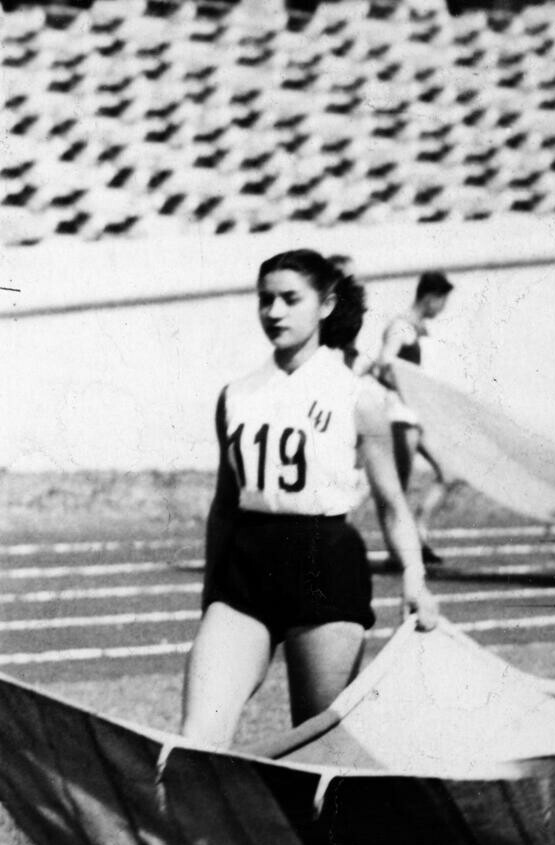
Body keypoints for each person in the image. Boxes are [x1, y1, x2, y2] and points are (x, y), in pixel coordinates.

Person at [180, 249, 441, 746]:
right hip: (246, 570)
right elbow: (224, 504)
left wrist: (413, 577)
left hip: (325, 564)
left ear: (325, 305)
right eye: (265, 300)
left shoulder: (358, 397)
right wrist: (211, 593)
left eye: (289, 299)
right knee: (197, 740)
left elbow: (391, 502)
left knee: (315, 747)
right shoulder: (236, 395)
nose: (274, 312)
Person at [367, 270, 457, 570]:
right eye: (442, 301)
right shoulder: (401, 327)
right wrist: (404, 389)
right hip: (400, 417)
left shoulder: (418, 329)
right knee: (398, 488)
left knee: (448, 471)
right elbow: (381, 365)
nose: (443, 308)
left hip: (416, 416)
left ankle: (417, 532)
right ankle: (399, 551)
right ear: (431, 297)